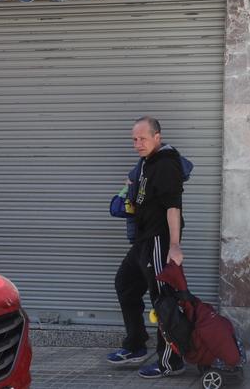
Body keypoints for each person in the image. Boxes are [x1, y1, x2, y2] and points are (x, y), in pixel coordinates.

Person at [108, 116, 187, 379]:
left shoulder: (166, 165)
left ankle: (170, 361)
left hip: (158, 240)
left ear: (157, 137)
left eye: (142, 138)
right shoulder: (145, 163)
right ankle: (136, 344)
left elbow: (173, 207)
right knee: (125, 285)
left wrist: (174, 246)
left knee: (162, 300)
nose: (137, 143)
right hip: (143, 240)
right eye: (134, 139)